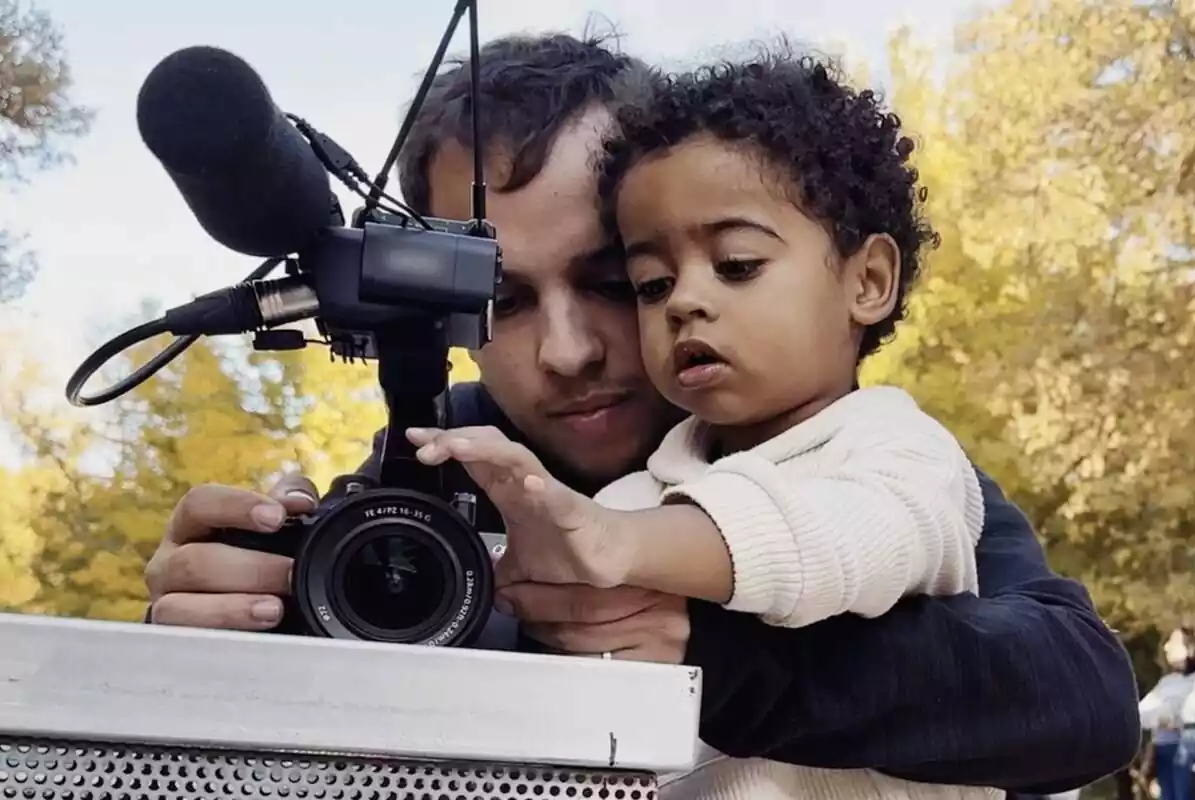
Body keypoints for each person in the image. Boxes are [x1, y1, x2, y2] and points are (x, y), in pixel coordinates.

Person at [141, 28, 1140, 797]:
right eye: (503, 297)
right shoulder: (426, 473)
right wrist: (219, 660)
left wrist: (708, 651)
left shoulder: (827, 439)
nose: (569, 350)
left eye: (619, 277)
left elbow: (1080, 697)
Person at [406, 44, 994, 800]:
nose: (568, 351)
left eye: (612, 282)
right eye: (652, 283)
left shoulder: (891, 448)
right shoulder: (619, 484)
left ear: (868, 280)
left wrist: (626, 548)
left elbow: (848, 535)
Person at [1142, 627, 1195, 800]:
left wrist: (1171, 717)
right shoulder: (1167, 682)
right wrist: (1160, 718)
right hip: (1165, 748)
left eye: (1173, 642)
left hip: (1185, 744)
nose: (1166, 647)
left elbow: (1188, 713)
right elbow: (1141, 713)